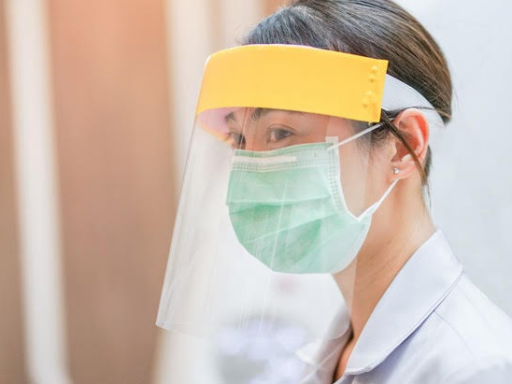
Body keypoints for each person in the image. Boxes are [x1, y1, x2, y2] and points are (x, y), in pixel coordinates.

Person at [157, 1, 512, 383]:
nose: (252, 169)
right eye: (239, 138)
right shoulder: (332, 354)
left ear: (403, 145)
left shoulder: (473, 367)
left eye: (280, 133)